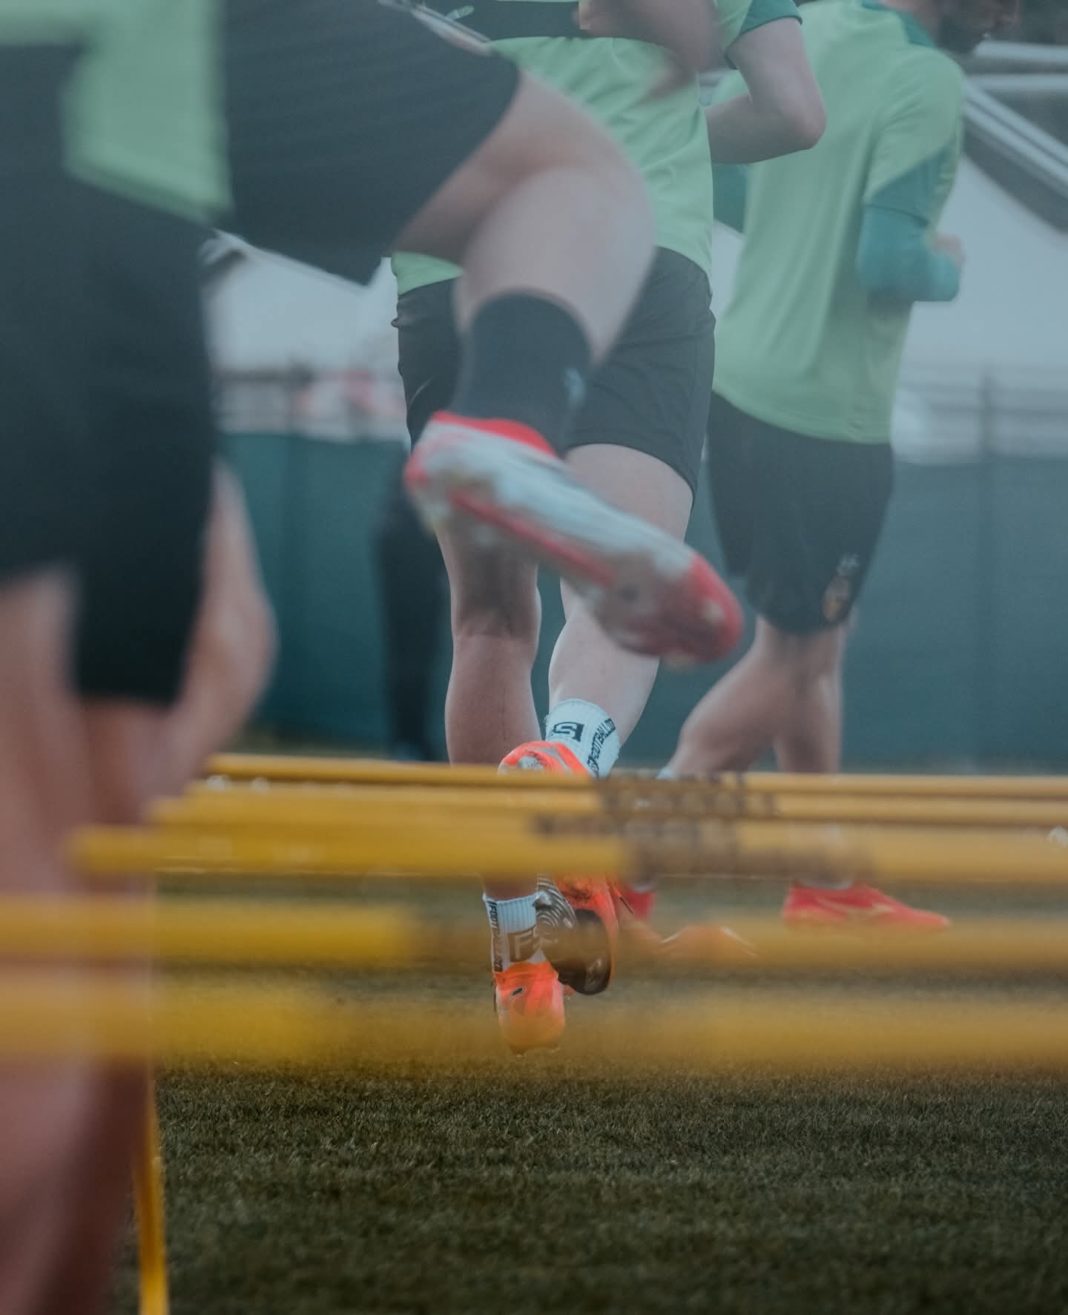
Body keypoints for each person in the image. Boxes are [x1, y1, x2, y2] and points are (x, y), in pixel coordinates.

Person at [0, 1, 730, 1308]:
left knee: (243, 649)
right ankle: (518, 480)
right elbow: (775, 99)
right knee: (583, 182)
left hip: (156, 135)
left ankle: (520, 935)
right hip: (87, 116)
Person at [391, 0, 826, 1051]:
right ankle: (571, 769)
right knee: (623, 584)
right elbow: (794, 110)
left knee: (489, 625)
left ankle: (518, 957)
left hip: (453, 257)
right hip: (633, 236)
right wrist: (668, 129)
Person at [661, 0, 1020, 931]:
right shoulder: (927, 80)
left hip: (741, 389)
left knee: (814, 642)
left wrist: (809, 217)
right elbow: (889, 261)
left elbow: (730, 186)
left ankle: (820, 878)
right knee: (796, 657)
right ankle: (626, 853)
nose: (1010, 12)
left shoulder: (811, 27)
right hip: (823, 423)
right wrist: (948, 262)